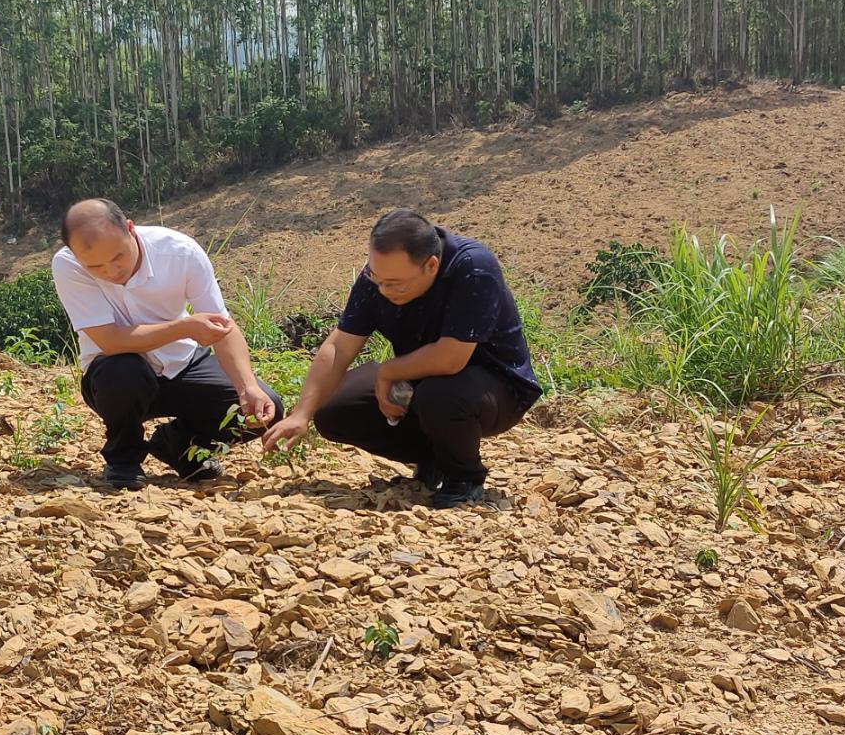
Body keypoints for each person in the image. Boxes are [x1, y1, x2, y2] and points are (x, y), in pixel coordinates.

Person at [262, 208, 541, 509]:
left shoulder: (472, 267)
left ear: (431, 265)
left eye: (394, 283)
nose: (383, 290)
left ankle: (463, 477)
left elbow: (451, 358)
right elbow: (339, 347)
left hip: (494, 387)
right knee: (335, 411)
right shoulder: (379, 279)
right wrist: (302, 413)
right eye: (376, 277)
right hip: (420, 381)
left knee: (440, 394)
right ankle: (432, 457)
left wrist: (388, 372)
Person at [52, 199, 283, 490]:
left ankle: (179, 446)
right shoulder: (67, 265)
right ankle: (123, 459)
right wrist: (184, 326)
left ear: (131, 230)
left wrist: (247, 386)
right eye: (95, 266)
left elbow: (222, 328)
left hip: (183, 364)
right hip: (114, 378)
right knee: (123, 370)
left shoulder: (179, 253)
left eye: (118, 257)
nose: (112, 271)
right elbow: (110, 341)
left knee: (267, 405)